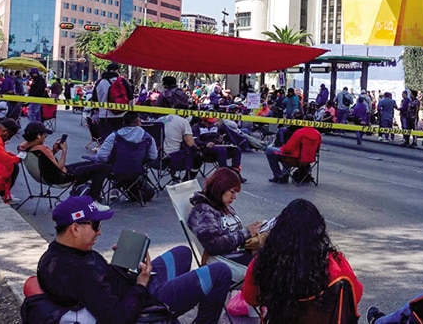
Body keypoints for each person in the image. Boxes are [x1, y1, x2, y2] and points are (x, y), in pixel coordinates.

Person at [36, 196, 234, 324]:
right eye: (95, 225)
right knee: (221, 272)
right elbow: (117, 318)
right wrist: (141, 284)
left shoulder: (56, 256)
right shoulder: (78, 270)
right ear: (75, 228)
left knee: (183, 252)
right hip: (145, 305)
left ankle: (174, 298)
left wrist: (122, 264)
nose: (100, 231)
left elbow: (102, 284)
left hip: (133, 287)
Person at [243, 199, 363, 320]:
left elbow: (250, 298)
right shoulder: (335, 262)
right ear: (320, 230)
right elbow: (355, 296)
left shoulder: (265, 261)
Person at [18, 121, 111, 209]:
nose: (45, 137)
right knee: (102, 168)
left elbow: (44, 162)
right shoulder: (42, 149)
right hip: (61, 177)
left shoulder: (24, 147)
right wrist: (64, 151)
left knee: (92, 164)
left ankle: (79, 189)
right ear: (38, 136)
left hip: (49, 175)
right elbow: (59, 167)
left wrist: (54, 151)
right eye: (44, 135)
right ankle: (93, 200)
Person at [187, 168, 263, 265]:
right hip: (223, 262)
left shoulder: (223, 206)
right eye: (232, 192)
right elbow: (213, 246)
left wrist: (253, 231)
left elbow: (234, 234)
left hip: (236, 254)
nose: (234, 197)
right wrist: (246, 232)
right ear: (220, 188)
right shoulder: (203, 212)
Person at [93, 63, 132, 135]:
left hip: (104, 115)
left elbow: (94, 99)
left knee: (107, 139)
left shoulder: (99, 82)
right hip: (121, 115)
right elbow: (131, 97)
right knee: (120, 139)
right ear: (117, 71)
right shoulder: (122, 81)